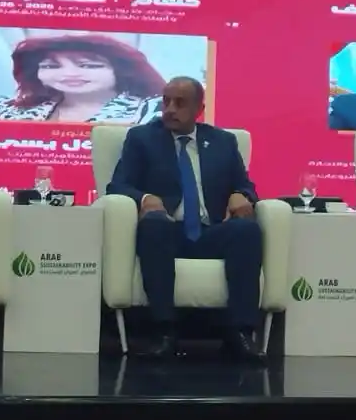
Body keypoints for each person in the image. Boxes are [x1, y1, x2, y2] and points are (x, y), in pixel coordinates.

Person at [107, 76, 264, 362]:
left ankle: (240, 334)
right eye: (166, 101)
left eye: (180, 103)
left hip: (209, 231)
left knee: (246, 232)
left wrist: (241, 195)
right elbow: (118, 186)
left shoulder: (223, 142)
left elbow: (246, 185)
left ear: (198, 109)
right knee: (153, 226)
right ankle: (164, 331)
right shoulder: (142, 138)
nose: (169, 109)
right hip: (167, 230)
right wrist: (145, 198)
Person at [0, 33, 164, 124]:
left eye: (88, 66)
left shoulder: (153, 111)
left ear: (122, 71)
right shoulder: (6, 110)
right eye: (51, 66)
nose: (68, 74)